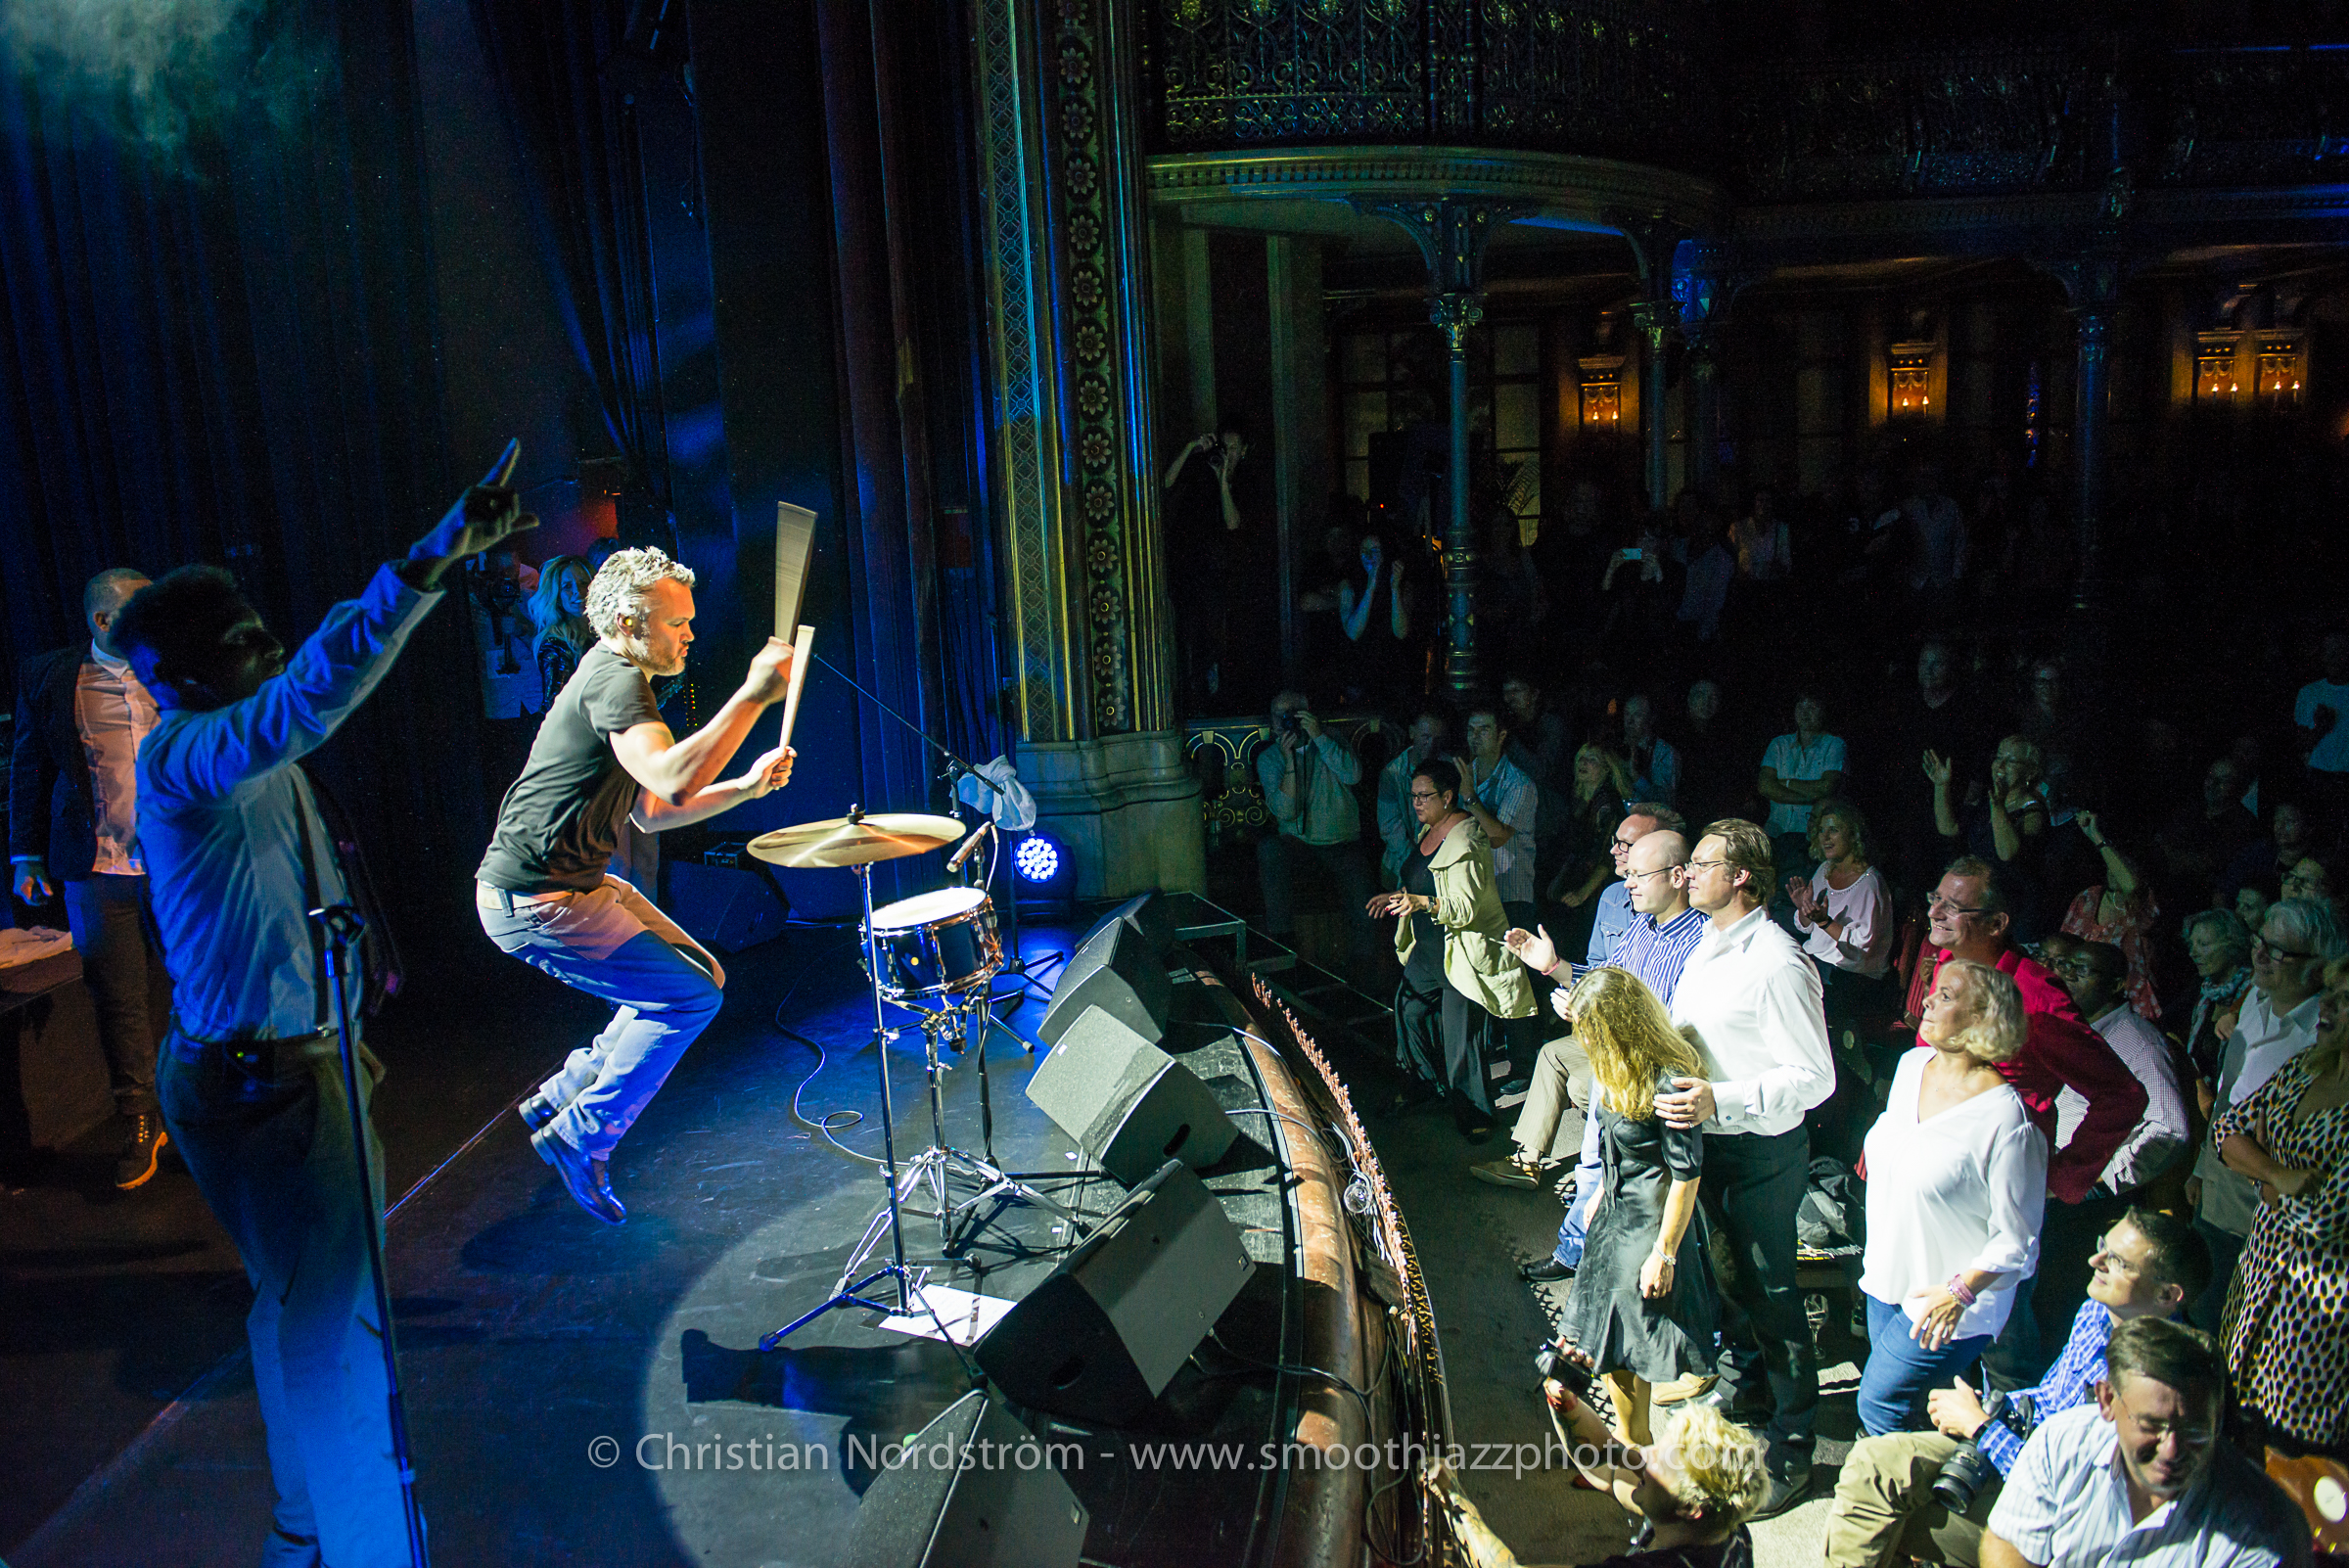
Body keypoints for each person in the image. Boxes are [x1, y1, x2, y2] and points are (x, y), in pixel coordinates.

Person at [115, 451, 534, 1568]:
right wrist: (430, 559)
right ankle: (362, 1547)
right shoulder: (184, 756)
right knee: (333, 1330)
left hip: (282, 1068)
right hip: (266, 1083)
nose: (269, 650)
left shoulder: (232, 739)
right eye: (245, 643)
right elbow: (314, 693)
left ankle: (304, 1532)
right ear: (185, 675)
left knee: (296, 1308)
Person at [478, 547, 799, 1224]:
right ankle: (579, 1132)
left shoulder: (617, 677)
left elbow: (651, 809)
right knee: (685, 1000)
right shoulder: (616, 679)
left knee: (699, 976)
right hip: (538, 900)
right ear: (627, 622)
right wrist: (751, 695)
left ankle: (561, 1090)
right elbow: (672, 779)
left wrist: (743, 787)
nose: (688, 633)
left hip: (573, 886)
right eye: (675, 621)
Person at [1824, 1210, 2212, 1568]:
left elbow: (2069, 1495)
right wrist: (1993, 1406)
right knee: (1873, 1465)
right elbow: (2050, 1397)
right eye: (2101, 1248)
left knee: (1879, 1512)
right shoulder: (2099, 1311)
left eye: (2119, 1262)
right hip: (2018, 1451)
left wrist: (1980, 1428)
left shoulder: (2163, 1383)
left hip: (2054, 1533)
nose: (2096, 1263)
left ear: (2167, 1296)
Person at [1658, 817, 1835, 1514]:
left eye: (1701, 865)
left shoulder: (1777, 962)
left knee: (1771, 1294)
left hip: (1762, 1149)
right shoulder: (1708, 943)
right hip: (1716, 1142)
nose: (1686, 875)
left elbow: (1815, 1077)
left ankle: (1794, 1445)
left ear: (1742, 878)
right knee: (1728, 1282)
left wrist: (1720, 1097)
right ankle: (1745, 1396)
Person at [9, 566, 175, 1187]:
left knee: (200, 986)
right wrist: (23, 854)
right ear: (102, 622)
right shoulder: (51, 676)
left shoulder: (172, 670)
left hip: (176, 865)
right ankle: (139, 1119)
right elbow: (30, 764)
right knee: (119, 1001)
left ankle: (207, 1106)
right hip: (95, 867)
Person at [1489, 826, 1704, 1289]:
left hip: (1654, 1085)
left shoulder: (1702, 942)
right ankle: (1574, 1255)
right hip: (1615, 1065)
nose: (1628, 882)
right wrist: (1553, 968)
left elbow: (1681, 1027)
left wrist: (1594, 1007)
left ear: (1679, 876)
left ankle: (1637, 1277)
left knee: (1642, 1186)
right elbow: (1605, 980)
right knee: (1591, 1165)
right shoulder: (1642, 927)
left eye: (1640, 873)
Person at [1856, 960, 2047, 1437]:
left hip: (1950, 1303)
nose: (1927, 1000)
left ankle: (1878, 1505)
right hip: (1887, 1280)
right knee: (1923, 1412)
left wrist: (1957, 1292)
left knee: (1879, 1405)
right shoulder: (1910, 1066)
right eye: (1933, 991)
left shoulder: (2005, 1119)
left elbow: (2017, 1238)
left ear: (1983, 1018)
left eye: (1946, 996)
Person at [1981, 1316, 2312, 1568]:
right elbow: (2007, 1542)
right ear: (2107, 1400)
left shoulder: (2264, 1533)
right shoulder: (2061, 1440)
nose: (2172, 1450)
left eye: (2196, 1432)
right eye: (2152, 1425)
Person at [1553, 966, 1722, 1448]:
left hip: (1645, 1232)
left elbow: (1686, 1176)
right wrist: (1602, 1194)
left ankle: (1636, 1460)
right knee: (1606, 1349)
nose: (1583, 1040)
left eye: (1590, 1029)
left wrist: (1664, 1254)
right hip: (1614, 1219)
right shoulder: (1618, 1067)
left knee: (1625, 1354)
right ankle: (1621, 1453)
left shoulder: (1668, 1082)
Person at [2210, 950, 2349, 1455]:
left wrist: (2263, 1176)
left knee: (2290, 1452)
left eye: (2344, 999)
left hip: (2319, 1312)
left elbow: (2325, 1217)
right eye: (2329, 994)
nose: (2327, 1006)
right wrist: (2277, 1174)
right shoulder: (2303, 1068)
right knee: (2235, 1423)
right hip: (2257, 1280)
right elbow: (2226, 1131)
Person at [2186, 898, 2343, 1331]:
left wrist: (2272, 1178)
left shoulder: (2324, 1040)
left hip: (2265, 1219)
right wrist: (2201, 1166)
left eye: (2277, 951)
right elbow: (2227, 1106)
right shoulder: (2254, 996)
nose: (2259, 955)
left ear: (2318, 965)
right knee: (2201, 1314)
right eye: (2260, 941)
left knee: (2231, 1327)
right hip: (2216, 1191)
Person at [1367, 759, 1535, 1139]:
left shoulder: (1467, 837)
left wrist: (1423, 903)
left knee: (1462, 1039)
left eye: (1424, 796)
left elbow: (1464, 907)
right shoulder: (1428, 830)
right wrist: (1398, 897)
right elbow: (1422, 881)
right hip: (1429, 951)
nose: (1416, 803)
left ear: (1447, 796)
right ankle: (1423, 1085)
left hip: (1461, 952)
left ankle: (1476, 1114)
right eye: (1412, 796)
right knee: (1409, 1011)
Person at [1429, 1400, 1770, 1568]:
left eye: (1657, 1456)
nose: (1643, 1454)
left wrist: (1454, 1498)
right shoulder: (1725, 1527)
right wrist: (1568, 1406)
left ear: (1689, 1507)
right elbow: (1602, 1471)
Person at [1255, 689, 1376, 978]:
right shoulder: (1270, 758)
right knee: (1269, 850)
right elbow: (1286, 811)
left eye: (1293, 714)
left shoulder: (1331, 740)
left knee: (1364, 901)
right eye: (1281, 716)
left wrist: (1319, 737)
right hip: (1297, 845)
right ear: (1273, 723)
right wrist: (1290, 763)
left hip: (1342, 843)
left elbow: (1352, 775)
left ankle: (1366, 973)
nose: (1287, 722)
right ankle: (1283, 950)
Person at [1788, 797, 1895, 1028]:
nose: (1824, 837)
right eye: (1822, 830)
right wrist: (1803, 908)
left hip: (1853, 977)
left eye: (1833, 830)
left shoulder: (1869, 884)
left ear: (1853, 835)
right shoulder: (1824, 870)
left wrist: (1826, 922)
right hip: (1819, 964)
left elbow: (1861, 948)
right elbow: (1807, 927)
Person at [1928, 736, 2050, 938]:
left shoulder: (2033, 812)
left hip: (2011, 911)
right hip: (1981, 903)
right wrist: (1941, 786)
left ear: (2031, 771)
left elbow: (2007, 853)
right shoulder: (1990, 800)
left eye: (2010, 761)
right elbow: (1949, 828)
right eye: (1999, 757)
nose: (2000, 765)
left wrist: (1999, 808)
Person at [2057, 808, 2160, 1023]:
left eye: (2121, 862)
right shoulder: (2088, 898)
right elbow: (2065, 947)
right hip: (2081, 1004)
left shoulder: (2140, 904)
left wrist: (2096, 837)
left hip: (2126, 1009)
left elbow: (2131, 886)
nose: (2112, 869)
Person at [1757, 693, 1846, 881]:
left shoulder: (1834, 744)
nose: (1805, 713)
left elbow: (1826, 787)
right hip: (1776, 833)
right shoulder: (1779, 744)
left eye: (1812, 707)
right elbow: (1765, 786)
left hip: (1811, 837)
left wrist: (1786, 784)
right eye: (1801, 707)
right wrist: (1809, 797)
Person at [2170, 908, 2253, 1088]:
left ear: (2232, 945)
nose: (2193, 953)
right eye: (2191, 945)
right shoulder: (2202, 995)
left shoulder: (2252, 994)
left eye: (2204, 944)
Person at [1376, 706, 1451, 888]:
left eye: (1437, 738)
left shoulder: (1451, 768)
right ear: (1412, 733)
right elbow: (1389, 826)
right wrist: (1418, 861)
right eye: (1426, 737)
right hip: (1401, 864)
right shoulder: (1393, 773)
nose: (1431, 744)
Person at [527, 552, 595, 713]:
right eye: (567, 587)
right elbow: (556, 709)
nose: (578, 592)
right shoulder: (556, 645)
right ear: (556, 596)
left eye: (584, 583)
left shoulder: (602, 633)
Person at [2293, 630, 2349, 818]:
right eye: (2328, 650)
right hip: (2319, 778)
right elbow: (2300, 744)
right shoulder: (2309, 692)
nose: (2332, 657)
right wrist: (2321, 728)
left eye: (2339, 650)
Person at [1622, 693, 1680, 807]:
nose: (1630, 721)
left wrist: (1636, 777)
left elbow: (1664, 801)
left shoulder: (1664, 752)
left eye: (1637, 714)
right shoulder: (1615, 746)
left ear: (1650, 719)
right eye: (1627, 714)